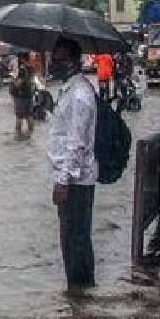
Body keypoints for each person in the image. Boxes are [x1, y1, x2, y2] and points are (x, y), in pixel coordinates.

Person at [46, 37, 98, 290]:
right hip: (71, 178)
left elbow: (76, 144)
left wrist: (63, 181)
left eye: (61, 59)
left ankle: (80, 293)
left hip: (76, 181)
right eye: (54, 58)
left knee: (75, 241)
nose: (56, 63)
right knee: (72, 240)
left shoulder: (79, 95)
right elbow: (65, 132)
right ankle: (81, 299)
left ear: (75, 62)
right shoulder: (69, 90)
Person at [9, 65, 35, 136]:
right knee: (29, 115)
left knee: (19, 116)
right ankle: (31, 132)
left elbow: (18, 85)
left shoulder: (22, 70)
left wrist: (13, 79)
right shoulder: (30, 70)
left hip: (20, 97)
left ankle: (18, 133)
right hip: (29, 96)